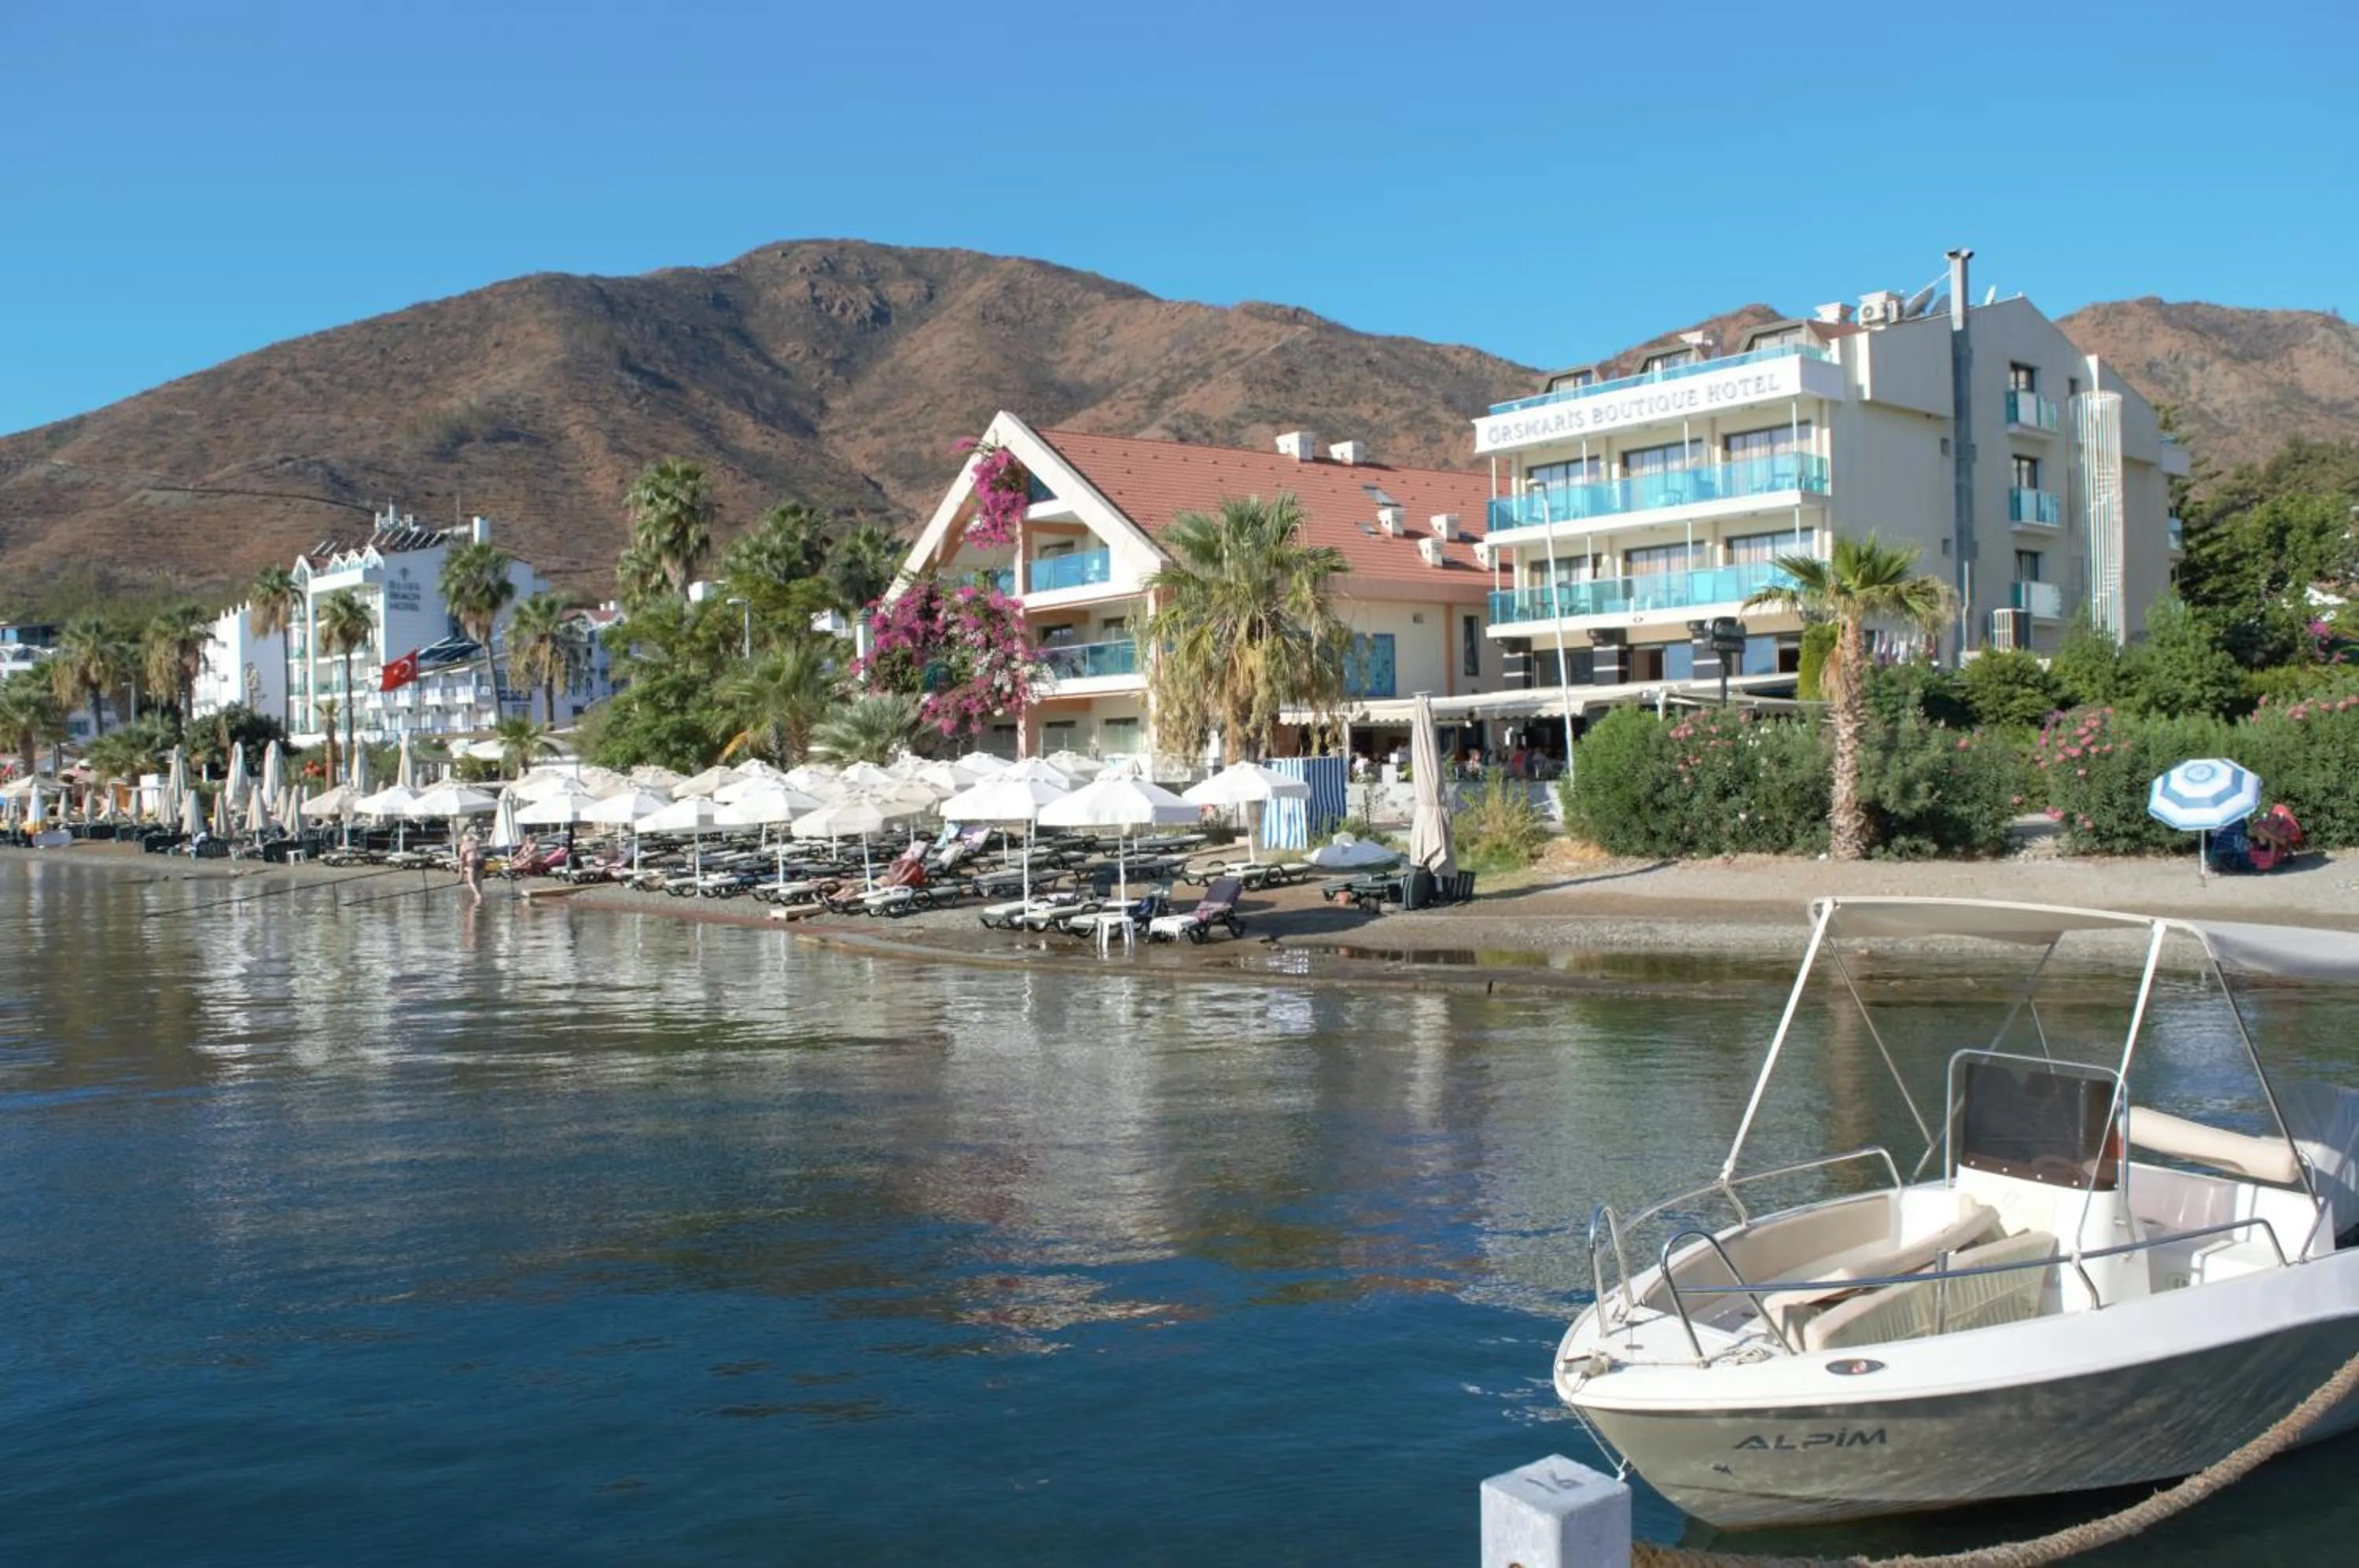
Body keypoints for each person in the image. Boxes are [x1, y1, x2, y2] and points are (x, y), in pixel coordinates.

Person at [458, 826, 486, 907]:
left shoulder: (463, 846)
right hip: (482, 860)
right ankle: (479, 896)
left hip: (472, 861)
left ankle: (478, 895)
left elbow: (462, 863)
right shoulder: (476, 843)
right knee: (479, 881)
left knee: (471, 881)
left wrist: (461, 878)